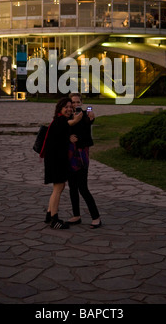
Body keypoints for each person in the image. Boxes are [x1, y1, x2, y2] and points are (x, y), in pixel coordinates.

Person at [42, 97, 78, 229]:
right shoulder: (62, 120)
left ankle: (49, 213)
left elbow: (60, 135)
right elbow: (70, 124)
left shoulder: (58, 120)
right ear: (60, 108)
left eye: (70, 107)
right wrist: (77, 119)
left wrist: (68, 138)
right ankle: (54, 220)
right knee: (58, 188)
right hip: (56, 160)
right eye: (66, 107)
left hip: (55, 159)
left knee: (59, 187)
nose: (69, 109)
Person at [67, 92, 101, 229]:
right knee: (72, 188)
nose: (75, 105)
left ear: (81, 102)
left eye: (77, 102)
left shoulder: (87, 115)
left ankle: (96, 217)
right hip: (69, 155)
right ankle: (76, 215)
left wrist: (90, 111)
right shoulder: (67, 116)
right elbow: (62, 130)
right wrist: (68, 138)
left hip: (81, 155)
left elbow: (90, 118)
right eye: (73, 103)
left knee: (83, 187)